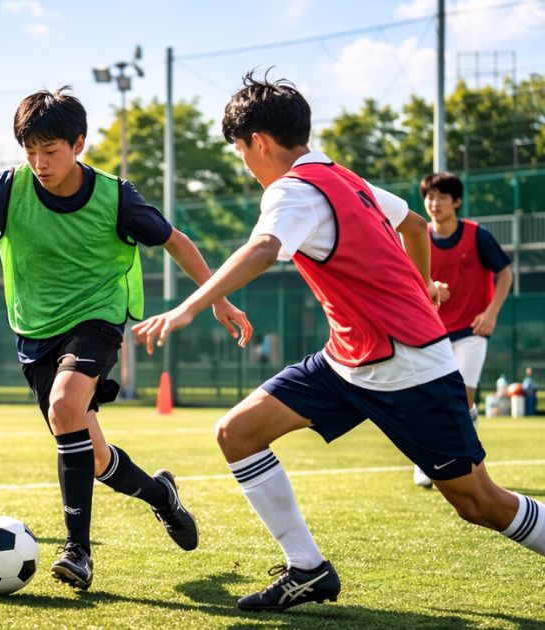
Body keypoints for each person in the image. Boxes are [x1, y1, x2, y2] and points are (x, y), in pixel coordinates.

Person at [136, 72, 544, 612]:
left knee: (480, 503)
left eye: (240, 149)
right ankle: (307, 569)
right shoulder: (342, 177)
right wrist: (422, 287)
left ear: (258, 142)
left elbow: (263, 249)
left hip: (408, 365)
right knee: (237, 432)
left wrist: (190, 305)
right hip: (349, 360)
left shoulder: (293, 190)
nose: (244, 162)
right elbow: (417, 228)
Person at [0, 86, 251, 590]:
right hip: (35, 332)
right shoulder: (7, 189)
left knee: (66, 406)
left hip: (97, 320)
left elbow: (175, 239)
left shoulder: (116, 197)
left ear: (79, 144)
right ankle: (160, 496)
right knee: (94, 454)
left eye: (51, 151)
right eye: (30, 151)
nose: (39, 163)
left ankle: (77, 551)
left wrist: (217, 297)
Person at [412, 172, 513, 486]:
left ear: (456, 201)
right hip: (431, 333)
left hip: (472, 331)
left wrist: (491, 313)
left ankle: (468, 461)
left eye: (442, 196)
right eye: (430, 196)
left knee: (462, 399)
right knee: (427, 400)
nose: (434, 202)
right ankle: (426, 462)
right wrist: (429, 286)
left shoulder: (477, 235)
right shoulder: (418, 238)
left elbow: (505, 273)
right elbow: (408, 280)